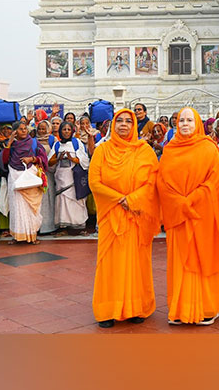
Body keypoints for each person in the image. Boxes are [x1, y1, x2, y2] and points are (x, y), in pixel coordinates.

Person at [89, 108, 160, 328]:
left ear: (134, 125)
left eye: (128, 121)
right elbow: (95, 182)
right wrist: (120, 199)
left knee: (136, 262)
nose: (123, 125)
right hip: (112, 214)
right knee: (110, 263)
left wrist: (134, 200)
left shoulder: (144, 151)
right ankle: (107, 310)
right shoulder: (103, 151)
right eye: (119, 121)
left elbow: (152, 182)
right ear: (113, 125)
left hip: (136, 215)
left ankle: (135, 307)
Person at [157, 107, 219, 326]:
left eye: (189, 120)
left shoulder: (208, 148)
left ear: (197, 123)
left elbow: (215, 180)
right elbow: (162, 182)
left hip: (201, 214)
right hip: (178, 216)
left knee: (201, 257)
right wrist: (179, 202)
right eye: (181, 120)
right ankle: (180, 308)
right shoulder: (169, 150)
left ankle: (207, 307)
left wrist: (193, 199)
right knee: (180, 260)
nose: (185, 124)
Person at [1, 121, 48, 244]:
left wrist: (32, 159)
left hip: (30, 177)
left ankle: (32, 236)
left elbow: (43, 159)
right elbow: (4, 161)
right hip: (15, 176)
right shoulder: (11, 145)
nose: (24, 131)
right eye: (20, 129)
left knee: (32, 208)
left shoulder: (33, 143)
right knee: (16, 206)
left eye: (25, 129)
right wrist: (9, 143)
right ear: (15, 131)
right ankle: (18, 236)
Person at [48, 122, 90, 236]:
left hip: (74, 179)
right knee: (62, 202)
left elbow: (85, 160)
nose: (66, 131)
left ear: (72, 131)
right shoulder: (57, 145)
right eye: (64, 129)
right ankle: (63, 228)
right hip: (61, 178)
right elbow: (49, 162)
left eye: (68, 129)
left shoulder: (77, 143)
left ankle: (79, 227)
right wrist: (58, 158)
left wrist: (72, 158)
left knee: (77, 202)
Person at [36, 120, 57, 235]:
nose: (41, 131)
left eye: (44, 129)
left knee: (49, 199)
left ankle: (48, 226)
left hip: (49, 173)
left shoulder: (52, 140)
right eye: (40, 128)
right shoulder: (34, 141)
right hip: (38, 174)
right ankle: (38, 226)